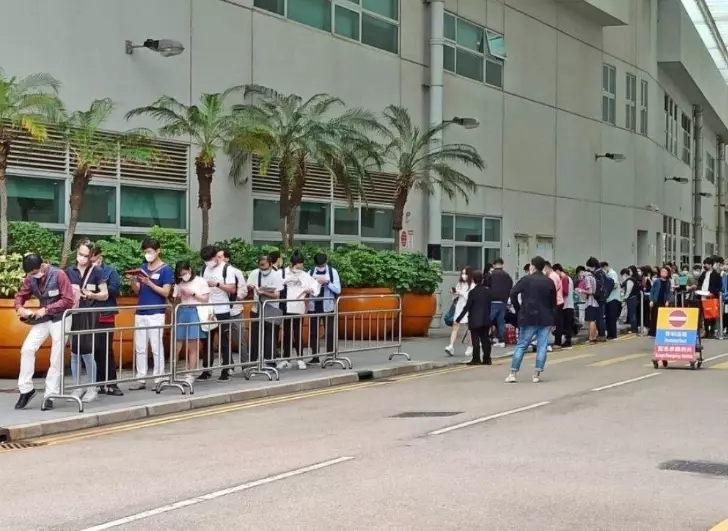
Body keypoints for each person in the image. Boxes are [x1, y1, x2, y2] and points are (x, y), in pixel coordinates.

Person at [14, 254, 75, 410]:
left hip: (61, 318)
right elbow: (21, 295)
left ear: (42, 266)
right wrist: (19, 307)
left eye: (35, 273)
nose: (33, 276)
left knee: (56, 357)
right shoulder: (31, 277)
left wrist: (46, 309)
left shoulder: (59, 274)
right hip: (43, 318)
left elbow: (68, 300)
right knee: (27, 349)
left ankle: (50, 394)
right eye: (30, 274)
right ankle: (26, 390)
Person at [65, 239, 108, 403]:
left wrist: (92, 295)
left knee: (87, 352)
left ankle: (92, 387)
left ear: (91, 256)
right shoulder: (70, 271)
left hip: (89, 315)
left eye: (85, 255)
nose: (82, 258)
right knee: (74, 352)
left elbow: (105, 294)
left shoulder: (96, 272)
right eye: (80, 254)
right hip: (73, 313)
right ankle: (78, 387)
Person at [128, 238, 174, 391]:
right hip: (141, 311)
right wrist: (133, 282)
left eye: (149, 251)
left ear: (158, 251)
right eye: (145, 252)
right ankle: (140, 378)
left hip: (156, 312)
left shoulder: (166, 269)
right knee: (140, 347)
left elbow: (166, 292)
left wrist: (150, 283)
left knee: (156, 346)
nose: (147, 254)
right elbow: (138, 290)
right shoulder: (143, 267)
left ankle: (159, 378)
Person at [505, 256, 556, 384]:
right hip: (545, 317)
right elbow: (553, 303)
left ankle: (513, 373)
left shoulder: (526, 279)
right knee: (542, 346)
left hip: (528, 316)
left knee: (522, 345)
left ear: (532, 266)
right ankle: (537, 374)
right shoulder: (549, 282)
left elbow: (512, 293)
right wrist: (553, 318)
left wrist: (518, 308)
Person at [198, 245, 237, 382]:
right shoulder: (204, 268)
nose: (208, 262)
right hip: (208, 310)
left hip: (222, 309)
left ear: (216, 256)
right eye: (205, 260)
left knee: (224, 341)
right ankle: (206, 369)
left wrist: (217, 284)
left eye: (209, 259)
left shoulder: (227, 269)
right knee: (206, 341)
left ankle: (226, 369)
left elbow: (232, 289)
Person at [90, 246, 124, 396]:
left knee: (106, 349)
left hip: (105, 315)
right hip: (89, 315)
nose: (91, 262)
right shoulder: (86, 272)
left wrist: (100, 287)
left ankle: (111, 383)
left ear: (100, 257)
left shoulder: (109, 271)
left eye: (94, 259)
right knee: (93, 350)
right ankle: (97, 383)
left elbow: (115, 289)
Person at [172, 260, 210, 387]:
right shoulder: (179, 283)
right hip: (182, 311)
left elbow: (205, 299)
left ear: (190, 269)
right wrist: (178, 297)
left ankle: (190, 374)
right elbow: (175, 301)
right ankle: (173, 372)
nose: (183, 276)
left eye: (184, 273)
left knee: (192, 345)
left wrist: (192, 294)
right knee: (177, 345)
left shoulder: (200, 281)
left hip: (195, 311)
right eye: (180, 275)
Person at [281, 251, 320, 370]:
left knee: (297, 333)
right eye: (300, 263)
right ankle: (286, 359)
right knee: (286, 333)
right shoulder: (283, 273)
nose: (301, 265)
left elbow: (315, 286)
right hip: (286, 306)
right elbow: (277, 284)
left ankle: (300, 358)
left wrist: (310, 290)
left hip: (298, 307)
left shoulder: (304, 275)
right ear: (294, 263)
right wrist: (287, 281)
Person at [248, 254, 284, 364]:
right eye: (261, 266)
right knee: (255, 337)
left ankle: (270, 361)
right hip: (256, 309)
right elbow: (247, 290)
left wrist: (264, 292)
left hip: (271, 309)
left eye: (265, 267)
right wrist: (250, 288)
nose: (263, 269)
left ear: (271, 264)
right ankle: (253, 362)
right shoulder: (254, 273)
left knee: (270, 337)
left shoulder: (276, 275)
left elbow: (277, 294)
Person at [308, 253, 341, 364]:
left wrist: (327, 282)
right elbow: (306, 287)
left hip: (328, 306)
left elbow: (338, 290)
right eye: (318, 265)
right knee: (313, 332)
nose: (320, 267)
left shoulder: (332, 272)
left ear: (326, 262)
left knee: (330, 332)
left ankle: (330, 356)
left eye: (322, 265)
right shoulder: (310, 272)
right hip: (313, 306)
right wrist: (314, 283)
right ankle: (315, 356)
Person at [456, 270, 493, 365]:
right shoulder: (488, 291)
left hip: (474, 319)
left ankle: (476, 359)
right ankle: (487, 359)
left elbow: (467, 307)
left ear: (473, 280)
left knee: (475, 340)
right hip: (485, 318)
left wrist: (459, 318)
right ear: (482, 279)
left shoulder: (472, 292)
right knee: (485, 340)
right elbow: (489, 306)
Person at [221, 249, 248, 363]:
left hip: (235, 310)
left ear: (227, 258)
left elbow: (243, 289)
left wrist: (236, 297)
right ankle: (228, 365)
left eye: (220, 257)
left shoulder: (236, 272)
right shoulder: (214, 273)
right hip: (221, 311)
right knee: (224, 340)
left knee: (240, 339)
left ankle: (245, 365)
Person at [445, 267, 474, 357]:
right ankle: (451, 346)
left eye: (465, 273)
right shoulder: (459, 284)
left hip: (467, 308)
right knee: (455, 326)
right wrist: (454, 293)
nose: (463, 275)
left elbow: (470, 298)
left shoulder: (472, 285)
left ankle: (470, 346)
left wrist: (461, 293)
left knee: (468, 328)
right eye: (462, 273)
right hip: (459, 307)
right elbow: (455, 297)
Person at [487, 258, 512, 348]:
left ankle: (485, 338)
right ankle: (502, 340)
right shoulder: (507, 275)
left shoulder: (491, 275)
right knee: (501, 321)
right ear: (502, 265)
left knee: (488, 320)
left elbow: (487, 287)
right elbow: (510, 286)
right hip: (503, 302)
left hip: (492, 301)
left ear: (494, 265)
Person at [698, 257, 721, 338]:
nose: (705, 266)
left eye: (706, 264)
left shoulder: (716, 274)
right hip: (703, 296)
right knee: (705, 315)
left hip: (711, 297)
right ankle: (706, 331)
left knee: (711, 314)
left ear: (710, 265)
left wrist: (713, 292)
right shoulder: (704, 273)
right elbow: (700, 283)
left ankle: (712, 331)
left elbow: (718, 286)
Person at [553, 264, 574, 348]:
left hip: (565, 305)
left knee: (565, 324)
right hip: (569, 304)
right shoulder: (568, 278)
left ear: (557, 270)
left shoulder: (564, 278)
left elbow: (565, 292)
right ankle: (567, 341)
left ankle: (567, 341)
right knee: (567, 324)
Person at [576, 265, 599, 343]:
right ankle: (593, 337)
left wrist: (580, 290)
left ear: (581, 272)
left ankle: (591, 338)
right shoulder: (593, 277)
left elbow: (590, 291)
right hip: (595, 302)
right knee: (593, 321)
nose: (580, 276)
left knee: (591, 321)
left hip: (590, 302)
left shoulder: (587, 278)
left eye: (579, 274)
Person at [588, 257, 608, 341]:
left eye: (589, 266)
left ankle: (601, 335)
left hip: (599, 298)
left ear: (593, 266)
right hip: (602, 297)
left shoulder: (598, 273)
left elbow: (597, 285)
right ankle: (601, 335)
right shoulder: (602, 272)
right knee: (600, 316)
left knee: (599, 317)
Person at [543, 261, 564, 347]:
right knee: (557, 322)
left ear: (547, 268)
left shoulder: (552, 276)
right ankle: (557, 341)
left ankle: (557, 342)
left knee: (556, 322)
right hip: (558, 301)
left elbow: (552, 290)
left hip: (556, 302)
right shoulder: (554, 275)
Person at [648, 266, 673, 337]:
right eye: (662, 271)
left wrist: (667, 301)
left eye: (664, 271)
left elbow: (668, 292)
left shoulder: (668, 282)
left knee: (663, 317)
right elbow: (652, 291)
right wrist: (651, 300)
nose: (663, 273)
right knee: (654, 316)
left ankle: (661, 332)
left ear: (668, 273)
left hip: (663, 301)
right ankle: (653, 332)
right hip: (656, 300)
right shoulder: (657, 281)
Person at [601, 261, 621, 340]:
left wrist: (607, 289)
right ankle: (610, 334)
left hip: (613, 298)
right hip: (608, 299)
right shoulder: (608, 274)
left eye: (603, 268)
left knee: (612, 317)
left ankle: (613, 334)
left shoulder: (612, 273)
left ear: (606, 266)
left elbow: (615, 284)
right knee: (608, 317)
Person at [621, 266, 640, 334]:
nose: (622, 277)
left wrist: (624, 300)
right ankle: (633, 328)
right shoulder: (630, 280)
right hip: (632, 298)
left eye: (622, 276)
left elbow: (628, 291)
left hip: (632, 299)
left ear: (625, 274)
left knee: (632, 314)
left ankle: (634, 329)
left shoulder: (630, 280)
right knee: (631, 314)